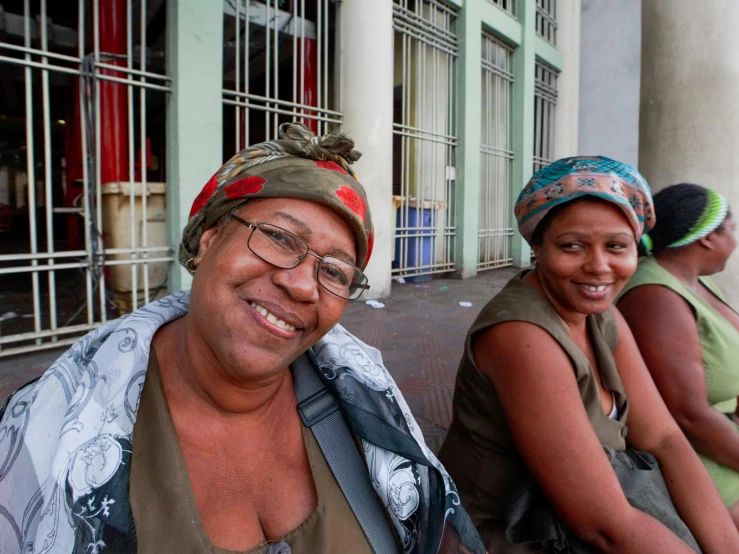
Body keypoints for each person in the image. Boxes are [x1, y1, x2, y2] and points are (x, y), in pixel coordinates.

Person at [0, 123, 485, 554]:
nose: (301, 285)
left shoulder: (367, 399)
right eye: (278, 237)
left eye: (334, 271)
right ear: (209, 239)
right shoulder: (53, 430)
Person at [438, 157, 739, 553]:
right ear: (539, 248)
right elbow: (605, 525)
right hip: (510, 534)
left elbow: (665, 438)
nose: (599, 267)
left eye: (616, 246)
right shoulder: (520, 335)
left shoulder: (600, 313)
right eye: (573, 246)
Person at [618, 183, 739, 527]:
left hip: (722, 436)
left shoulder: (696, 280)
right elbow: (689, 416)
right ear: (708, 239)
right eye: (732, 230)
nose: (735, 239)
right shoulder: (656, 296)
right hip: (698, 457)